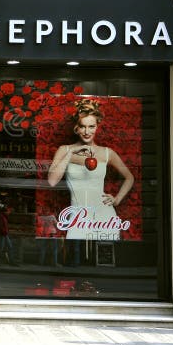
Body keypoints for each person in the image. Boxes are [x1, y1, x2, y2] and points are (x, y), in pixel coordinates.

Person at [47, 99, 134, 243]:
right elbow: (51, 181)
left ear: (97, 126)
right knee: (76, 260)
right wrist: (70, 154)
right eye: (82, 126)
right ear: (76, 127)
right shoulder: (64, 150)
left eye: (91, 126)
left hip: (105, 217)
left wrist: (117, 199)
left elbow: (129, 178)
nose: (87, 132)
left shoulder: (107, 153)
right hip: (78, 218)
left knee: (104, 260)